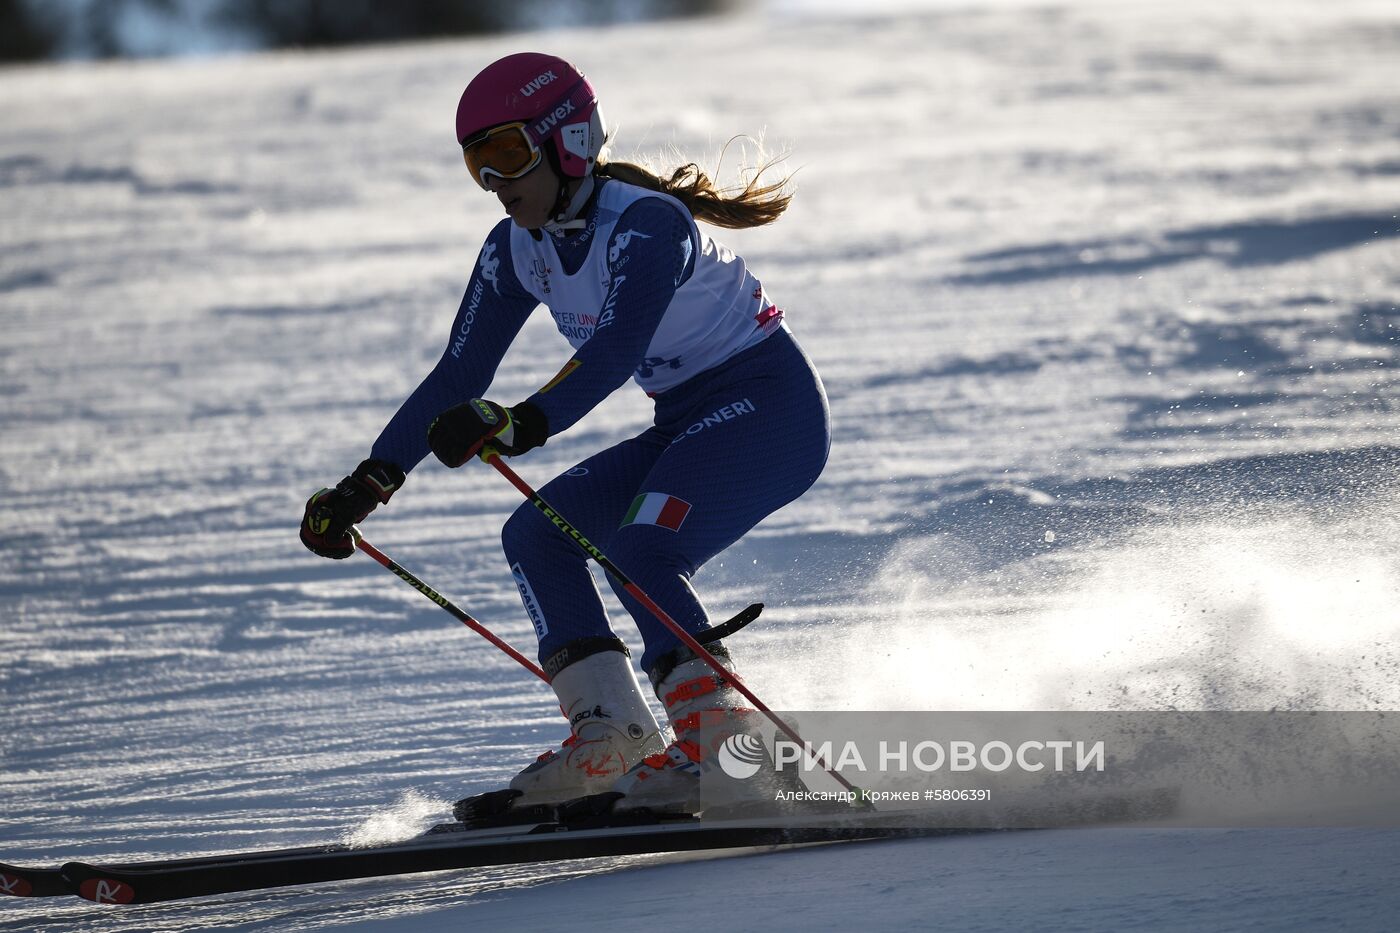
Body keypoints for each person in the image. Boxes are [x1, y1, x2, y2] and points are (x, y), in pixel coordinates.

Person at [300, 52, 829, 817]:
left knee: (640, 549)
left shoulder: (646, 224)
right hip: (686, 419)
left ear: (568, 140)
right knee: (538, 535)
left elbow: (612, 352)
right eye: (477, 162)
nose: (495, 179)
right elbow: (457, 375)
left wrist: (520, 424)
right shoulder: (514, 247)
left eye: (509, 152)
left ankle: (725, 750)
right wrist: (370, 481)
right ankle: (610, 734)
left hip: (769, 410)